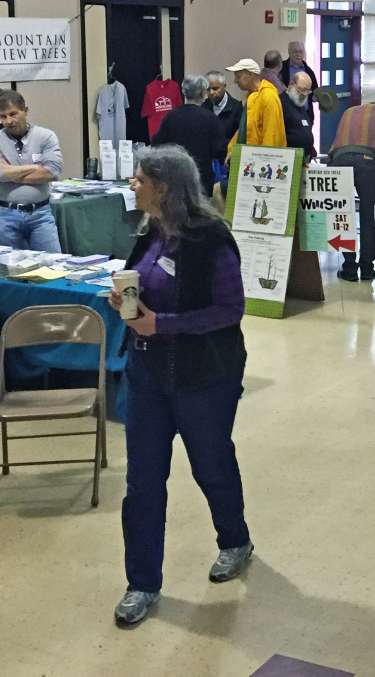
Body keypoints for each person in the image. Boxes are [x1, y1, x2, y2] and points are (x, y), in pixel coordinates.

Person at [109, 144, 250, 626]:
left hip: (203, 376)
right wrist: (124, 303)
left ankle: (235, 540)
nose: (133, 184)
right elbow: (145, 295)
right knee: (142, 484)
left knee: (211, 465)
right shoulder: (149, 232)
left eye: (139, 178)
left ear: (163, 188)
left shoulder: (211, 236)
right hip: (147, 376)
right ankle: (141, 583)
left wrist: (161, 324)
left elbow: (230, 311)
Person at [328, 101, 375, 282]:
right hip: (367, 161)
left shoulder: (349, 110)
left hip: (339, 159)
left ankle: (349, 268)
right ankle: (367, 269)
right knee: (367, 216)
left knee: (343, 216)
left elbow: (337, 137)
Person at [0, 90, 63, 253]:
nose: (8, 121)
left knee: (54, 266)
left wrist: (9, 173)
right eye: (3, 116)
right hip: (5, 215)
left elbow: (52, 172)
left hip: (40, 215)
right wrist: (34, 167)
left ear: (25, 111)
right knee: (9, 272)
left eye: (13, 114)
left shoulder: (46, 136)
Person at [151, 74, 228, 196]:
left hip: (176, 178)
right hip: (202, 180)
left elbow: (157, 143)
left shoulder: (171, 116)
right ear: (203, 94)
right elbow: (220, 150)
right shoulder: (210, 118)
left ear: (184, 92)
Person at [224, 58, 286, 151]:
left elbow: (272, 133)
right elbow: (244, 128)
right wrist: (232, 150)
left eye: (238, 76)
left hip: (262, 159)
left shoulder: (268, 96)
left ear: (250, 74)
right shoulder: (252, 97)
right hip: (251, 158)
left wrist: (265, 160)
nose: (235, 81)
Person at [278, 73, 317, 162]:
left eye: (308, 91)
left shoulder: (299, 102)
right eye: (302, 90)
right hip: (288, 159)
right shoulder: (281, 103)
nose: (304, 94)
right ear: (291, 84)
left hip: (304, 158)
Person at [281, 41, 319, 125]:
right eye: (295, 51)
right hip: (286, 114)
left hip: (305, 114)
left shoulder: (309, 71)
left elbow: (314, 93)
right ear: (289, 52)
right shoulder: (282, 68)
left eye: (301, 51)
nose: (298, 54)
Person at [203, 70, 244, 141]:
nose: (211, 92)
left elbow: (239, 138)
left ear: (224, 87)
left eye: (215, 88)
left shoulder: (237, 108)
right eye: (208, 89)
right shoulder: (204, 107)